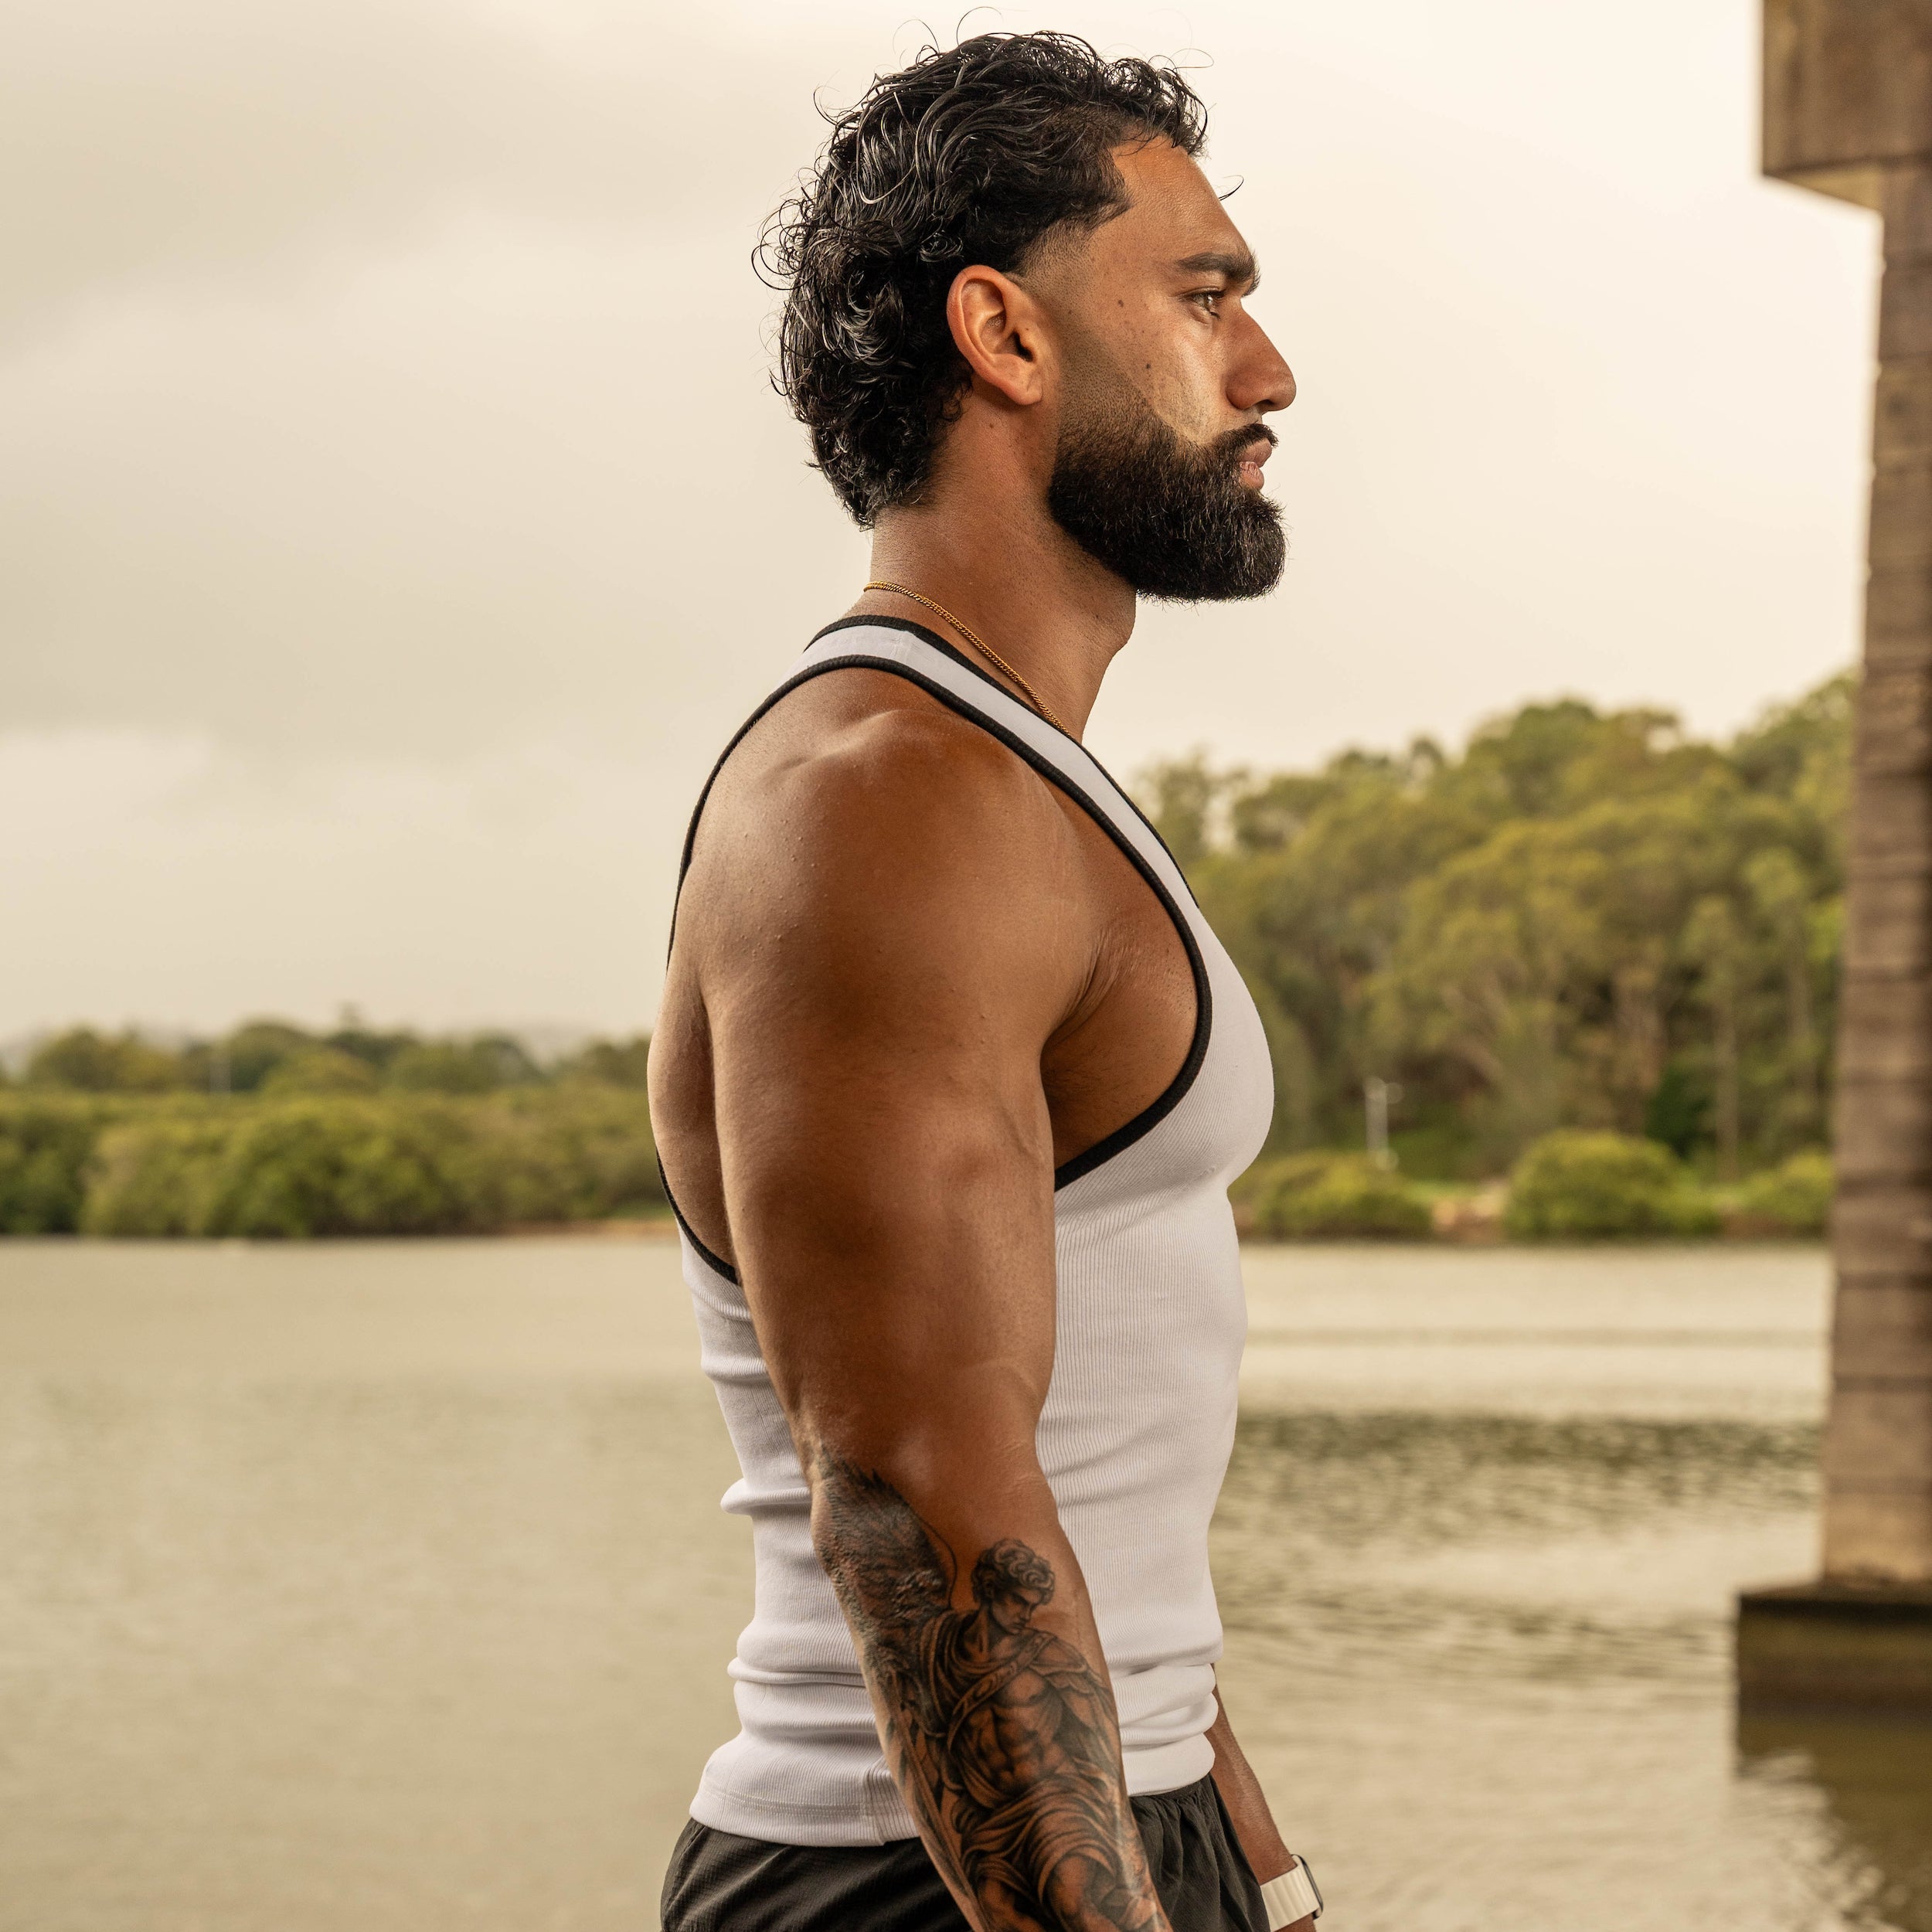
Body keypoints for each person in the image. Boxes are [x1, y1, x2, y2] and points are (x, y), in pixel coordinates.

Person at [650, 31, 1319, 1932]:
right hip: (916, 1871)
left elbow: (1095, 1441)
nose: (1266, 372)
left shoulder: (1009, 778)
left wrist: (1257, 1864)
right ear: (1004, 336)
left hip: (1111, 1816)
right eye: (1205, 299)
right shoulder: (888, 799)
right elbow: (919, 1490)